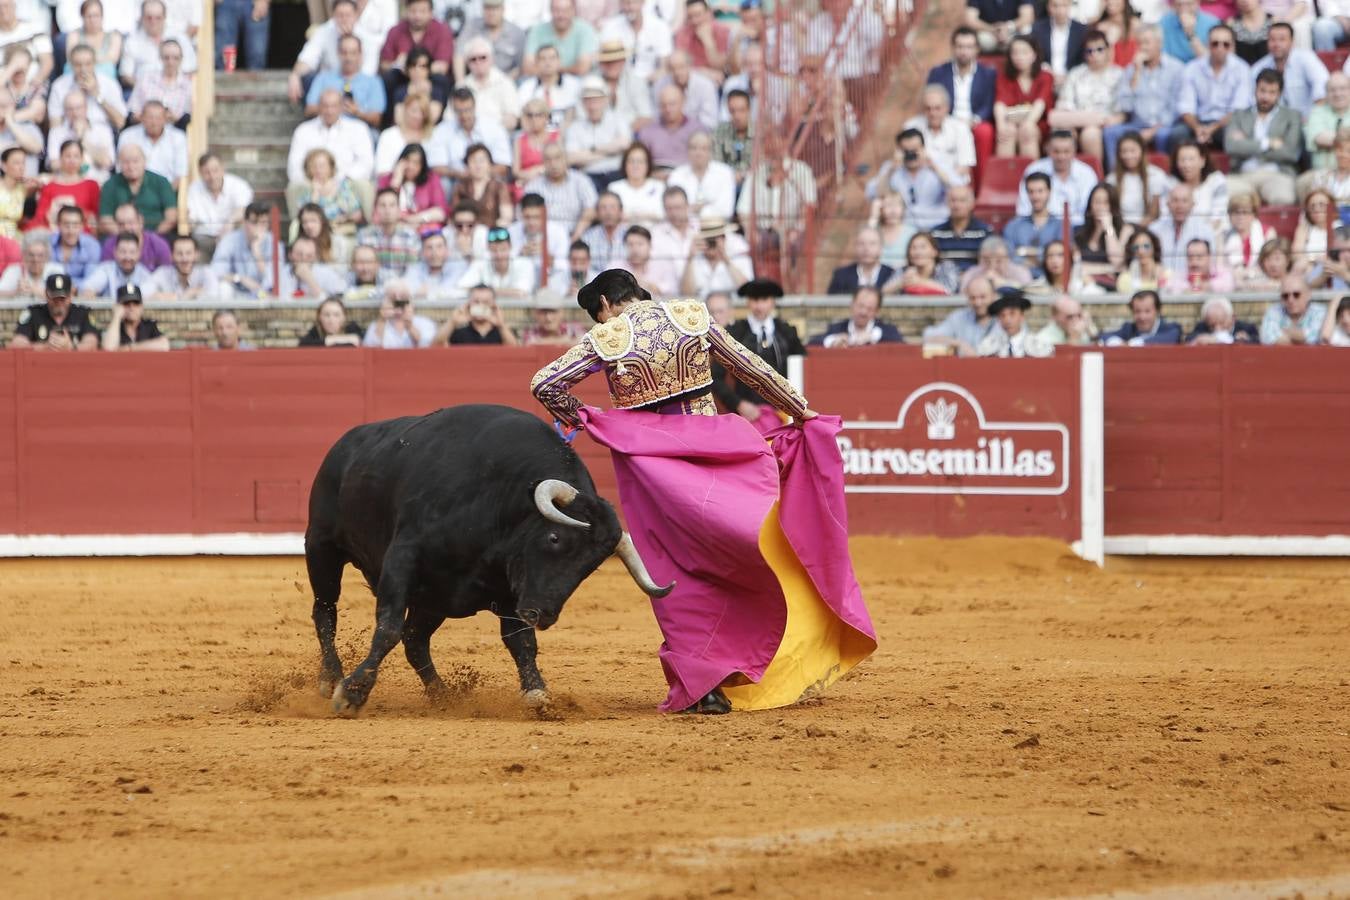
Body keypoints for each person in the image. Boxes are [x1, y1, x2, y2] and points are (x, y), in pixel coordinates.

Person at [530, 268, 873, 715]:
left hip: (657, 477)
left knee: (677, 569)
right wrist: (802, 411)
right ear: (638, 293)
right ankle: (760, 662)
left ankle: (704, 686)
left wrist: (589, 419)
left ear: (605, 306)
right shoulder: (690, 316)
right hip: (716, 461)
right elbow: (752, 368)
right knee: (746, 551)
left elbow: (545, 383)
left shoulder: (609, 337)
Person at [1223, 69, 1302, 207]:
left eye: (1272, 92)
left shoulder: (1292, 116)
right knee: (1223, 194)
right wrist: (1268, 143)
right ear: (1255, 90)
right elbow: (1231, 146)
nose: (1265, 97)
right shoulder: (1239, 115)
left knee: (1284, 198)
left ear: (1279, 94)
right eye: (1262, 91)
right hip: (1242, 174)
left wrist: (1246, 144)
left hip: (1277, 174)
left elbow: (1290, 153)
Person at [1105, 25, 1182, 162]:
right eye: (1139, 43)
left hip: (1164, 125)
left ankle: (1166, 175)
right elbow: (1125, 106)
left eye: (1147, 42)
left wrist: (1153, 130)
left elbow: (1176, 107)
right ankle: (1115, 176)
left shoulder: (1176, 69)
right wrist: (1137, 72)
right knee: (1110, 133)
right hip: (1136, 124)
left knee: (1163, 135)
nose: (1143, 47)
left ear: (1159, 43)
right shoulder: (1131, 70)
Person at [926, 27, 998, 170]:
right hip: (947, 120)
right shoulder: (938, 73)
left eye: (969, 47)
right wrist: (948, 119)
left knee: (985, 132)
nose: (964, 51)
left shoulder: (988, 73)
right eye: (960, 46)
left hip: (975, 121)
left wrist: (975, 120)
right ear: (953, 48)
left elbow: (989, 104)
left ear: (977, 49)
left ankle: (981, 186)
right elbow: (931, 99)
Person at [1171, 23, 1250, 152]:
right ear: (1207, 44)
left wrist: (1212, 128)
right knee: (1177, 135)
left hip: (1226, 123)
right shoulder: (1192, 68)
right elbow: (1186, 107)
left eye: (1226, 44)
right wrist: (1197, 128)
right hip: (1197, 122)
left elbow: (1238, 110)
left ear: (1232, 46)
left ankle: (1235, 171)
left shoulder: (1242, 69)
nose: (1220, 48)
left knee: (1234, 136)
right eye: (1215, 43)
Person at [1048, 28, 1123, 160]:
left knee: (1090, 134)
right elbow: (1064, 107)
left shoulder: (1119, 75)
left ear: (1108, 50)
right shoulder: (1076, 74)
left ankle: (1096, 177)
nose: (1094, 54)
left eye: (1099, 49)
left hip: (1104, 126)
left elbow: (1121, 113)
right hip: (1076, 122)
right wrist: (1087, 119)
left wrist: (1098, 121)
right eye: (1089, 51)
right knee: (1063, 133)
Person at [286, 89, 376, 187]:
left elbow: (366, 162)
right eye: (325, 106)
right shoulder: (303, 130)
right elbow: (294, 166)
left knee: (364, 185)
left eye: (334, 106)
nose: (329, 111)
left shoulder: (358, 128)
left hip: (347, 186)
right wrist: (312, 183)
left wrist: (341, 183)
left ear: (341, 107)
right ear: (319, 107)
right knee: (293, 187)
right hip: (311, 186)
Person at [864, 128, 948, 229]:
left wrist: (934, 167)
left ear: (923, 149)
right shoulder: (891, 167)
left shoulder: (937, 164)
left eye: (914, 150)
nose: (910, 155)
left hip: (936, 223)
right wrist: (891, 170)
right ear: (899, 151)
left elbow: (958, 189)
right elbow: (872, 193)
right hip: (903, 226)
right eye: (906, 151)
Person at [1015, 130, 1099, 226]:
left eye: (1066, 151)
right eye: (1056, 151)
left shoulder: (1086, 173)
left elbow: (1089, 212)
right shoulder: (1034, 170)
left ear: (1074, 150)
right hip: (1042, 228)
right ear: (1048, 149)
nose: (1061, 157)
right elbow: (1023, 210)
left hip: (1079, 230)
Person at [565, 75, 630, 191]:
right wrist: (610, 151)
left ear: (605, 100)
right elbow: (572, 158)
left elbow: (624, 144)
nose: (593, 105)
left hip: (616, 173)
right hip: (589, 176)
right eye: (588, 100)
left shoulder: (618, 118)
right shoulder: (575, 127)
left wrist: (592, 151)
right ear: (583, 103)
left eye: (596, 100)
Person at [995, 34, 1055, 157]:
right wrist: (1001, 125)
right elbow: (1000, 104)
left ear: (1034, 55)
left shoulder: (1045, 76)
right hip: (1011, 121)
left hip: (1037, 122)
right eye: (1015, 53)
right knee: (1006, 132)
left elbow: (1040, 103)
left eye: (1024, 52)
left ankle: (1033, 175)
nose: (1019, 57)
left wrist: (1028, 122)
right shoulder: (1004, 77)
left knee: (1027, 131)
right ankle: (1006, 175)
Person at [99, 144, 177, 238]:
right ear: (119, 164)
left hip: (157, 236)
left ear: (144, 161)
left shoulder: (161, 182)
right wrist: (125, 238)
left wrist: (151, 238)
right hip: (120, 238)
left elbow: (171, 217)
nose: (131, 167)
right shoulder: (110, 185)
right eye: (126, 162)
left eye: (135, 161)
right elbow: (106, 219)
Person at [1251, 22, 1327, 119]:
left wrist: (1311, 120)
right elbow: (1250, 100)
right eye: (1272, 40)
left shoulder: (1306, 59)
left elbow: (1322, 92)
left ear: (1292, 41)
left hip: (1307, 121)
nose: (1276, 44)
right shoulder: (1259, 67)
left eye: (1282, 39)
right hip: (1272, 125)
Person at [186, 152, 253, 260]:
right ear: (200, 173)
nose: (212, 176)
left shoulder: (238, 185)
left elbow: (244, 209)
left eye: (215, 170)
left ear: (222, 169)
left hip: (232, 234)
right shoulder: (194, 188)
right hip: (204, 238)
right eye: (206, 172)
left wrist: (229, 224)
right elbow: (191, 218)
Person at [524, 143, 598, 240]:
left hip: (576, 235)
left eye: (557, 158)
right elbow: (526, 216)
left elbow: (590, 210)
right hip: (544, 238)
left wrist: (575, 237)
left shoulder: (581, 180)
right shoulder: (533, 186)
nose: (553, 164)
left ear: (565, 159)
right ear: (543, 162)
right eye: (548, 160)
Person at [10, 272, 99, 350]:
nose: (59, 302)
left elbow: (92, 343)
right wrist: (44, 347)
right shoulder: (33, 313)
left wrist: (71, 347)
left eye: (62, 298)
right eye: (54, 298)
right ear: (46, 294)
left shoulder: (82, 313)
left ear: (71, 295)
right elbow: (16, 344)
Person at [211, 202, 278, 298]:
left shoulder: (274, 243)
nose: (258, 227)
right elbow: (216, 271)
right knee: (223, 287)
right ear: (245, 222)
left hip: (264, 293)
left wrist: (256, 250)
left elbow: (272, 281)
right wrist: (239, 278)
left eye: (263, 223)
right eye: (254, 222)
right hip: (237, 291)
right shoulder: (230, 239)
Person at [116, 100, 188, 188]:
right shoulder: (128, 135)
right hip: (133, 191)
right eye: (150, 117)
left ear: (165, 119)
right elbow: (120, 168)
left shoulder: (178, 137)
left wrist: (167, 195)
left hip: (167, 191)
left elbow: (181, 174)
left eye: (158, 118)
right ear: (141, 118)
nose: (154, 122)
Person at [376, 143, 446, 233]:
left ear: (422, 166)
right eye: (407, 161)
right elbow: (381, 210)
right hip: (393, 228)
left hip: (423, 226)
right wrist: (396, 181)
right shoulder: (386, 180)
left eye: (416, 163)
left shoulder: (431, 179)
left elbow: (441, 212)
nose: (411, 166)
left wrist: (415, 219)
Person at [920, 274, 998, 354]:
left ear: (994, 296)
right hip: (963, 366)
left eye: (982, 297)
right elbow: (928, 337)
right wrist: (959, 344)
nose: (978, 303)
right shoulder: (959, 318)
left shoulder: (1004, 318)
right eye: (972, 298)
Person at [679, 215, 753, 296]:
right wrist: (690, 258)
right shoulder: (693, 259)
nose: (711, 243)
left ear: (724, 239)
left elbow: (747, 290)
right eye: (708, 239)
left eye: (714, 238)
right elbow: (686, 293)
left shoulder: (738, 256)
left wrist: (726, 260)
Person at [458, 36, 520, 131]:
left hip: (498, 137)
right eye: (473, 59)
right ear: (467, 63)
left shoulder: (505, 83)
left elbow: (513, 119)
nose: (478, 62)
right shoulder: (461, 86)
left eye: (483, 57)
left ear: (491, 59)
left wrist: (490, 133)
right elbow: (450, 118)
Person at [1003, 172, 1065, 269]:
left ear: (1049, 192)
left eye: (1040, 191)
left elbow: (1061, 257)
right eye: (1031, 192)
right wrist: (1042, 254)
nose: (1036, 197)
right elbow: (1007, 257)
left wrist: (1024, 251)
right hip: (1020, 278)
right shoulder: (1013, 226)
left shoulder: (1061, 226)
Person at [601, 0, 672, 83]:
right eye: (626, 3)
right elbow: (605, 62)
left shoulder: (660, 27)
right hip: (619, 81)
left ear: (643, 2)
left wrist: (644, 82)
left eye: (634, 2)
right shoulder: (611, 27)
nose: (630, 7)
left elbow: (665, 66)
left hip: (651, 81)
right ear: (620, 4)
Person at [636, 84, 704, 172]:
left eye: (672, 104)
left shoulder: (697, 130)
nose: (668, 109)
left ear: (683, 102)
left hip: (687, 178)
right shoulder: (647, 131)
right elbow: (641, 162)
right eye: (664, 105)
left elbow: (702, 161)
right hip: (656, 177)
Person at [1155, 182, 1218, 275]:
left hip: (1192, 285)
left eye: (1184, 201)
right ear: (1168, 204)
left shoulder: (1205, 231)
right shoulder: (1154, 230)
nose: (1179, 206)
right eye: (1175, 200)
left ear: (1193, 204)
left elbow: (1211, 265)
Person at [454, 0, 526, 81]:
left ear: (503, 9)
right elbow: (459, 55)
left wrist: (504, 83)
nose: (491, 13)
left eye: (495, 8)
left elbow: (520, 67)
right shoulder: (472, 26)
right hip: (474, 80)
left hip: (506, 81)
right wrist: (460, 84)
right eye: (487, 8)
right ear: (482, 9)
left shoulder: (516, 33)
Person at [457, 225, 536, 299]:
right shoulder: (480, 264)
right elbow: (461, 289)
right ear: (488, 249)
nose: (499, 255)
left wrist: (483, 292)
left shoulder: (524, 264)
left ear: (510, 247)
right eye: (494, 250)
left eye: (503, 249)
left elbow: (522, 292)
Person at [810, 286, 904, 347]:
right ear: (852, 305)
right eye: (860, 306)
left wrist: (873, 336)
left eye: (869, 308)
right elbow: (810, 345)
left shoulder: (888, 331)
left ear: (877, 311)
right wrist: (833, 341)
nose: (863, 312)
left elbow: (902, 347)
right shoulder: (837, 328)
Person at [1106, 131, 1166, 226]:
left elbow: (1153, 214)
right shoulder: (1111, 179)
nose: (1128, 156)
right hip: (1120, 227)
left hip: (1148, 228)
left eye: (1133, 151)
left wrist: (1136, 231)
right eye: (1124, 151)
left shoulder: (1156, 175)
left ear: (1142, 151)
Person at [450, 143, 514, 229]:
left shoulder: (499, 186)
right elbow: (455, 215)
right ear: (467, 165)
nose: (478, 165)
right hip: (466, 231)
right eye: (473, 161)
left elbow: (506, 216)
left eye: (482, 161)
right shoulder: (460, 187)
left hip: (492, 233)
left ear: (490, 164)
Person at [977, 289, 1054, 357]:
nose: (1007, 320)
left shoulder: (1038, 345)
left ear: (1022, 316)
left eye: (1012, 313)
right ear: (998, 319)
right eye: (1002, 315)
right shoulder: (988, 346)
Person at [438, 283, 520, 345]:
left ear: (493, 305)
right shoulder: (459, 333)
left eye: (485, 302)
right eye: (476, 302)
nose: (480, 305)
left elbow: (515, 351)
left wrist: (501, 325)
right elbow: (437, 347)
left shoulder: (503, 332)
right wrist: (452, 322)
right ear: (469, 304)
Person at [98, 203, 170, 271]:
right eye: (121, 224)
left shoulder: (158, 245)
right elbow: (105, 272)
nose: (126, 228)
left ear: (140, 221)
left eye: (130, 222)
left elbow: (166, 275)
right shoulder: (110, 246)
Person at [362, 282, 436, 348]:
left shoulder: (425, 323)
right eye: (393, 299)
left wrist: (410, 326)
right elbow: (370, 349)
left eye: (403, 298)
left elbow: (428, 347)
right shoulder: (376, 325)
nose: (398, 302)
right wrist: (382, 321)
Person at [80, 231, 152, 298]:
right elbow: (87, 289)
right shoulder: (106, 269)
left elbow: (149, 295)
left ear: (138, 253)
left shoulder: (144, 274)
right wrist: (89, 293)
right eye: (123, 252)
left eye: (132, 252)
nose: (127, 257)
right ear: (115, 252)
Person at [889, 230, 962, 295]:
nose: (918, 252)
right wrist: (902, 282)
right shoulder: (904, 271)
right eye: (913, 248)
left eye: (923, 247)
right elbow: (882, 293)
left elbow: (951, 290)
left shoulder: (947, 267)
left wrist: (920, 281)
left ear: (934, 252)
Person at [609, 142, 666, 226]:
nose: (635, 166)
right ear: (624, 164)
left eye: (640, 161)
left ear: (648, 165)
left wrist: (633, 216)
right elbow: (610, 217)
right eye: (631, 161)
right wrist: (647, 215)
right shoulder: (614, 188)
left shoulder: (660, 187)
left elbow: (665, 215)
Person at [100, 283, 168, 352]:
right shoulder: (115, 328)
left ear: (141, 306)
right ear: (118, 306)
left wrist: (130, 348)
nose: (131, 308)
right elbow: (108, 348)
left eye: (136, 303)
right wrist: (116, 316)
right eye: (126, 303)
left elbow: (164, 345)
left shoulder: (149, 326)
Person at [148, 233, 218, 300]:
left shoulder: (205, 272)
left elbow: (214, 295)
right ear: (172, 256)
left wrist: (168, 297)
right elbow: (144, 293)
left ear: (196, 255)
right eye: (179, 253)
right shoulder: (163, 273)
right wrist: (183, 296)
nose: (184, 259)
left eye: (188, 253)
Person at [1304, 72, 1350, 173]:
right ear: (1326, 94)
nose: (1338, 94)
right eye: (1332, 90)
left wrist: (1332, 138)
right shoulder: (1317, 111)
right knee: (1301, 183)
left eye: (1342, 89)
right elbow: (1318, 138)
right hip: (1321, 173)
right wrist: (1346, 139)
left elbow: (1325, 138)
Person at [826, 227, 895, 294]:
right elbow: (829, 303)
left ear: (881, 247)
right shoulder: (841, 275)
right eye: (861, 243)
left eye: (872, 243)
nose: (866, 248)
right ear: (855, 246)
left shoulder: (892, 274)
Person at [1031, 0, 1087, 82]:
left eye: (1064, 5)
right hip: (1045, 77)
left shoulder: (1081, 30)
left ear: (1070, 6)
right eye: (1055, 6)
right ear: (1048, 7)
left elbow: (1083, 59)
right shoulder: (1038, 29)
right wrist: (1050, 74)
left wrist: (1069, 76)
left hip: (1074, 78)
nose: (1060, 10)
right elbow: (1036, 56)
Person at [1260, 273, 1326, 343]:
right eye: (1285, 296)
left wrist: (1287, 332)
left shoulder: (1319, 312)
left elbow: (1317, 339)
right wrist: (1300, 338)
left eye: (1296, 295)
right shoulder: (1274, 311)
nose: (1290, 300)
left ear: (1308, 295)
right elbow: (1267, 339)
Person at [1100, 289, 1182, 344]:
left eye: (1147, 311)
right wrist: (1118, 342)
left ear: (1157, 311)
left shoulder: (1171, 329)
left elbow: (1170, 338)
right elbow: (1104, 336)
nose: (1142, 317)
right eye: (1137, 311)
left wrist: (1136, 343)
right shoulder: (1129, 329)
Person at [404, 230, 466, 299]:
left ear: (447, 250)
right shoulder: (415, 268)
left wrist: (427, 291)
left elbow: (458, 292)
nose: (434, 252)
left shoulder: (458, 268)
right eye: (429, 247)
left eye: (439, 247)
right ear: (422, 252)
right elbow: (408, 290)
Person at [1219, 191, 1266, 281]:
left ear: (1254, 214)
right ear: (1229, 215)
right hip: (1231, 283)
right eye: (1236, 212)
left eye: (1245, 212)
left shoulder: (1267, 233)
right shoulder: (1222, 236)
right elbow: (1220, 267)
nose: (1240, 217)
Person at [959, 234, 1034, 290]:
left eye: (998, 261)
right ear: (979, 259)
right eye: (986, 261)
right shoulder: (971, 274)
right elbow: (962, 295)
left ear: (1008, 259)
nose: (992, 266)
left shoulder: (1020, 272)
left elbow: (1028, 291)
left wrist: (1003, 283)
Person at [0, 230, 60, 297]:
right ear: (24, 256)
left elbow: (62, 296)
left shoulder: (55, 270)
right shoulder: (14, 270)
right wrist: (16, 292)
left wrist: (36, 291)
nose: (35, 260)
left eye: (40, 255)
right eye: (31, 255)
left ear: (47, 256)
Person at [214, 0, 270, 71]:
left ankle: (254, 81)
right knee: (224, 55)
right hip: (226, 3)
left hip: (255, 2)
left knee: (257, 55)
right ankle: (222, 80)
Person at [518, 287, 586, 345]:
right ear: (536, 314)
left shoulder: (573, 329)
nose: (548, 318)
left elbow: (584, 343)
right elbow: (530, 343)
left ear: (562, 312)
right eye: (543, 312)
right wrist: (565, 341)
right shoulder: (531, 332)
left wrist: (542, 342)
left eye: (553, 312)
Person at [1164, 237, 1235, 292]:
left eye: (1199, 257)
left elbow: (1229, 283)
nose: (1194, 262)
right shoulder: (1182, 275)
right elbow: (1171, 285)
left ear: (1209, 257)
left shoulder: (1220, 271)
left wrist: (1207, 285)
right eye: (1190, 258)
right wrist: (1192, 287)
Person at [50, 205, 101, 280]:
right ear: (58, 225)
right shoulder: (48, 243)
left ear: (82, 226)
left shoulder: (92, 245)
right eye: (66, 225)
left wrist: (70, 286)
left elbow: (90, 280)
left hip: (82, 291)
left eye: (75, 225)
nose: (71, 231)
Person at [966, 0, 1034, 52]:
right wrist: (993, 29)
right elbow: (970, 20)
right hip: (990, 34)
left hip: (1012, 33)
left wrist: (1007, 27)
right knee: (981, 38)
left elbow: (1027, 17)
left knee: (1026, 29)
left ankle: (1021, 56)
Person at [1186, 295, 1259, 343]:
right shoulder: (1202, 326)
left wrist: (1245, 340)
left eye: (1222, 323)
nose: (1217, 329)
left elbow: (1257, 342)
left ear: (1233, 318)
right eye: (1212, 326)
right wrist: (1200, 339)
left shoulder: (1247, 328)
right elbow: (1189, 339)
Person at [298, 296, 364, 347]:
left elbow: (360, 340)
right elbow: (303, 344)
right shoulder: (316, 331)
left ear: (344, 317)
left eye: (336, 315)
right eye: (326, 315)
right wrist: (330, 340)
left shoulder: (351, 328)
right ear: (319, 317)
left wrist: (331, 341)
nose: (331, 320)